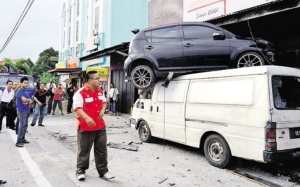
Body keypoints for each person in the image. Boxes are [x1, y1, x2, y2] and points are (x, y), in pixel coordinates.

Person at [73, 70, 114, 181]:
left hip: (100, 126)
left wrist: (102, 110)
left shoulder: (100, 91)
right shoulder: (80, 93)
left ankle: (103, 171)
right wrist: (86, 118)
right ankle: (80, 171)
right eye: (97, 78)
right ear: (90, 80)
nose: (99, 80)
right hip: (86, 128)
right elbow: (76, 108)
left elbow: (104, 102)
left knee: (102, 150)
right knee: (84, 151)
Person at [15, 77, 33, 148]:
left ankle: (23, 139)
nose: (26, 84)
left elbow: (29, 101)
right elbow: (24, 100)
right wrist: (28, 100)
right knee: (22, 126)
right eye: (25, 83)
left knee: (25, 125)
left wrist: (28, 101)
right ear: (21, 83)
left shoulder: (25, 91)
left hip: (27, 110)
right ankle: (18, 142)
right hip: (22, 110)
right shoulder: (20, 91)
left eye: (27, 83)